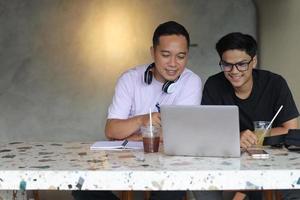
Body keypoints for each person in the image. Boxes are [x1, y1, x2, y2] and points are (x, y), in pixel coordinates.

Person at [73, 21, 202, 200]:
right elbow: (111, 130)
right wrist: (142, 121)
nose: (173, 63)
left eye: (181, 56)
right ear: (153, 52)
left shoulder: (191, 82)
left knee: (173, 187)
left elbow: (181, 135)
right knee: (81, 185)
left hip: (170, 162)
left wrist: (129, 136)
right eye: (166, 55)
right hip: (127, 159)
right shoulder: (129, 79)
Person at [194, 32, 299, 200]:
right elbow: (206, 134)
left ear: (254, 61)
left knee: (295, 186)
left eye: (242, 64)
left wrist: (255, 136)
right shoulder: (214, 85)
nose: (234, 71)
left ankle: (242, 192)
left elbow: (292, 129)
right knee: (201, 181)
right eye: (227, 65)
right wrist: (235, 138)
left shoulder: (275, 83)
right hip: (230, 159)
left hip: (272, 157)